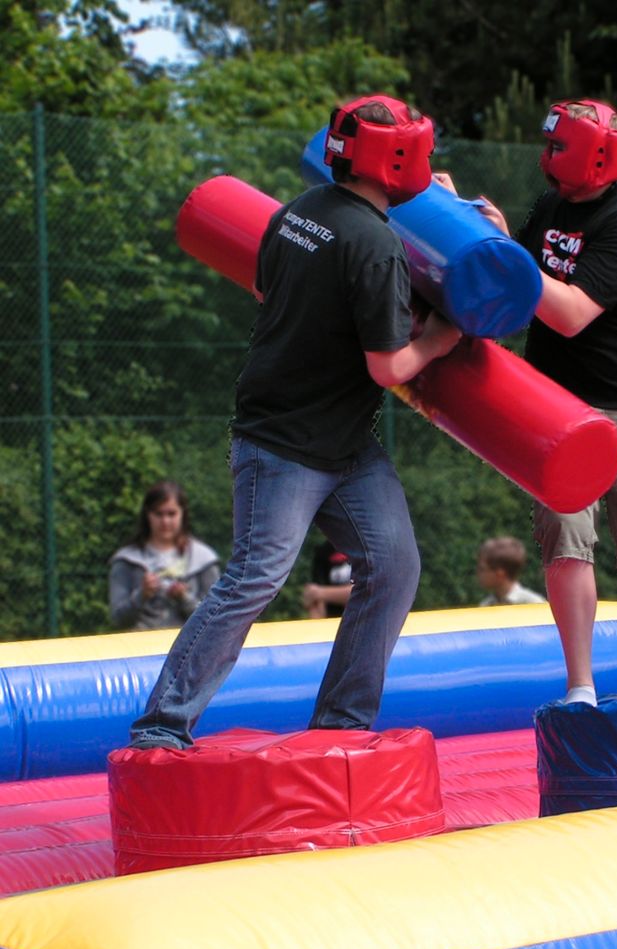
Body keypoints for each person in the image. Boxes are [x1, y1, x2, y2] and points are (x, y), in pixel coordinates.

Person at [126, 95, 461, 750]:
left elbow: (264, 288)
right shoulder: (375, 245)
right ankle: (160, 726)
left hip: (337, 441)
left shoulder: (297, 213)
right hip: (285, 443)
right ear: (398, 161)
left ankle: (342, 728)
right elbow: (390, 365)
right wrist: (441, 339)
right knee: (255, 576)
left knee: (392, 566)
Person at [437, 98, 617, 707]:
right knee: (564, 539)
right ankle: (581, 686)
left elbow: (569, 313)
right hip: (557, 405)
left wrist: (510, 254)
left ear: (597, 157)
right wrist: (470, 224)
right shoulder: (549, 208)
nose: (546, 158)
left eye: (559, 147)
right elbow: (517, 285)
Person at [108, 480, 220, 631]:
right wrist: (142, 595)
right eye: (158, 514)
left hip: (190, 649)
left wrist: (184, 598)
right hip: (140, 647)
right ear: (147, 515)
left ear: (183, 514)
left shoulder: (203, 559)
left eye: (171, 514)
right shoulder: (127, 560)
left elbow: (215, 618)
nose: (165, 521)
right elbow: (117, 619)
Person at [476, 536, 546, 606]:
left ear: (500, 572)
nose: (478, 572)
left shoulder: (533, 604)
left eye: (482, 569)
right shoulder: (486, 605)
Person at [302, 538, 353, 618]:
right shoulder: (323, 551)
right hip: (332, 621)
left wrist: (321, 593)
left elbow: (367, 592)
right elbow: (312, 595)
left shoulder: (367, 548)